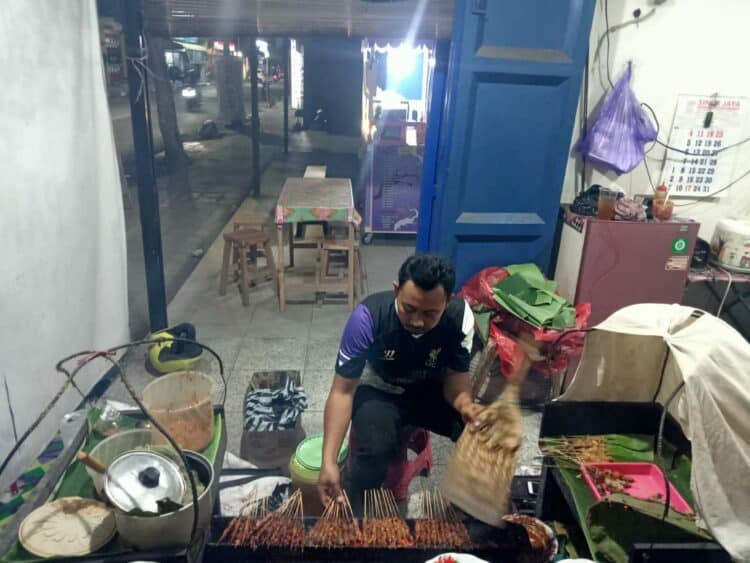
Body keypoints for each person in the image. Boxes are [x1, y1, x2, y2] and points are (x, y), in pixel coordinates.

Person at [318, 253, 484, 511]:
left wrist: (466, 406)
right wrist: (327, 460)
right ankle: (354, 506)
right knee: (374, 452)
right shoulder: (368, 317)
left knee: (481, 433)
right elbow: (342, 392)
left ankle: (469, 511)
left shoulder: (460, 318)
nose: (417, 321)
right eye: (409, 309)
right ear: (396, 290)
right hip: (380, 391)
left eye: (430, 313)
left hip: (431, 390)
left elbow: (455, 379)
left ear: (447, 301)